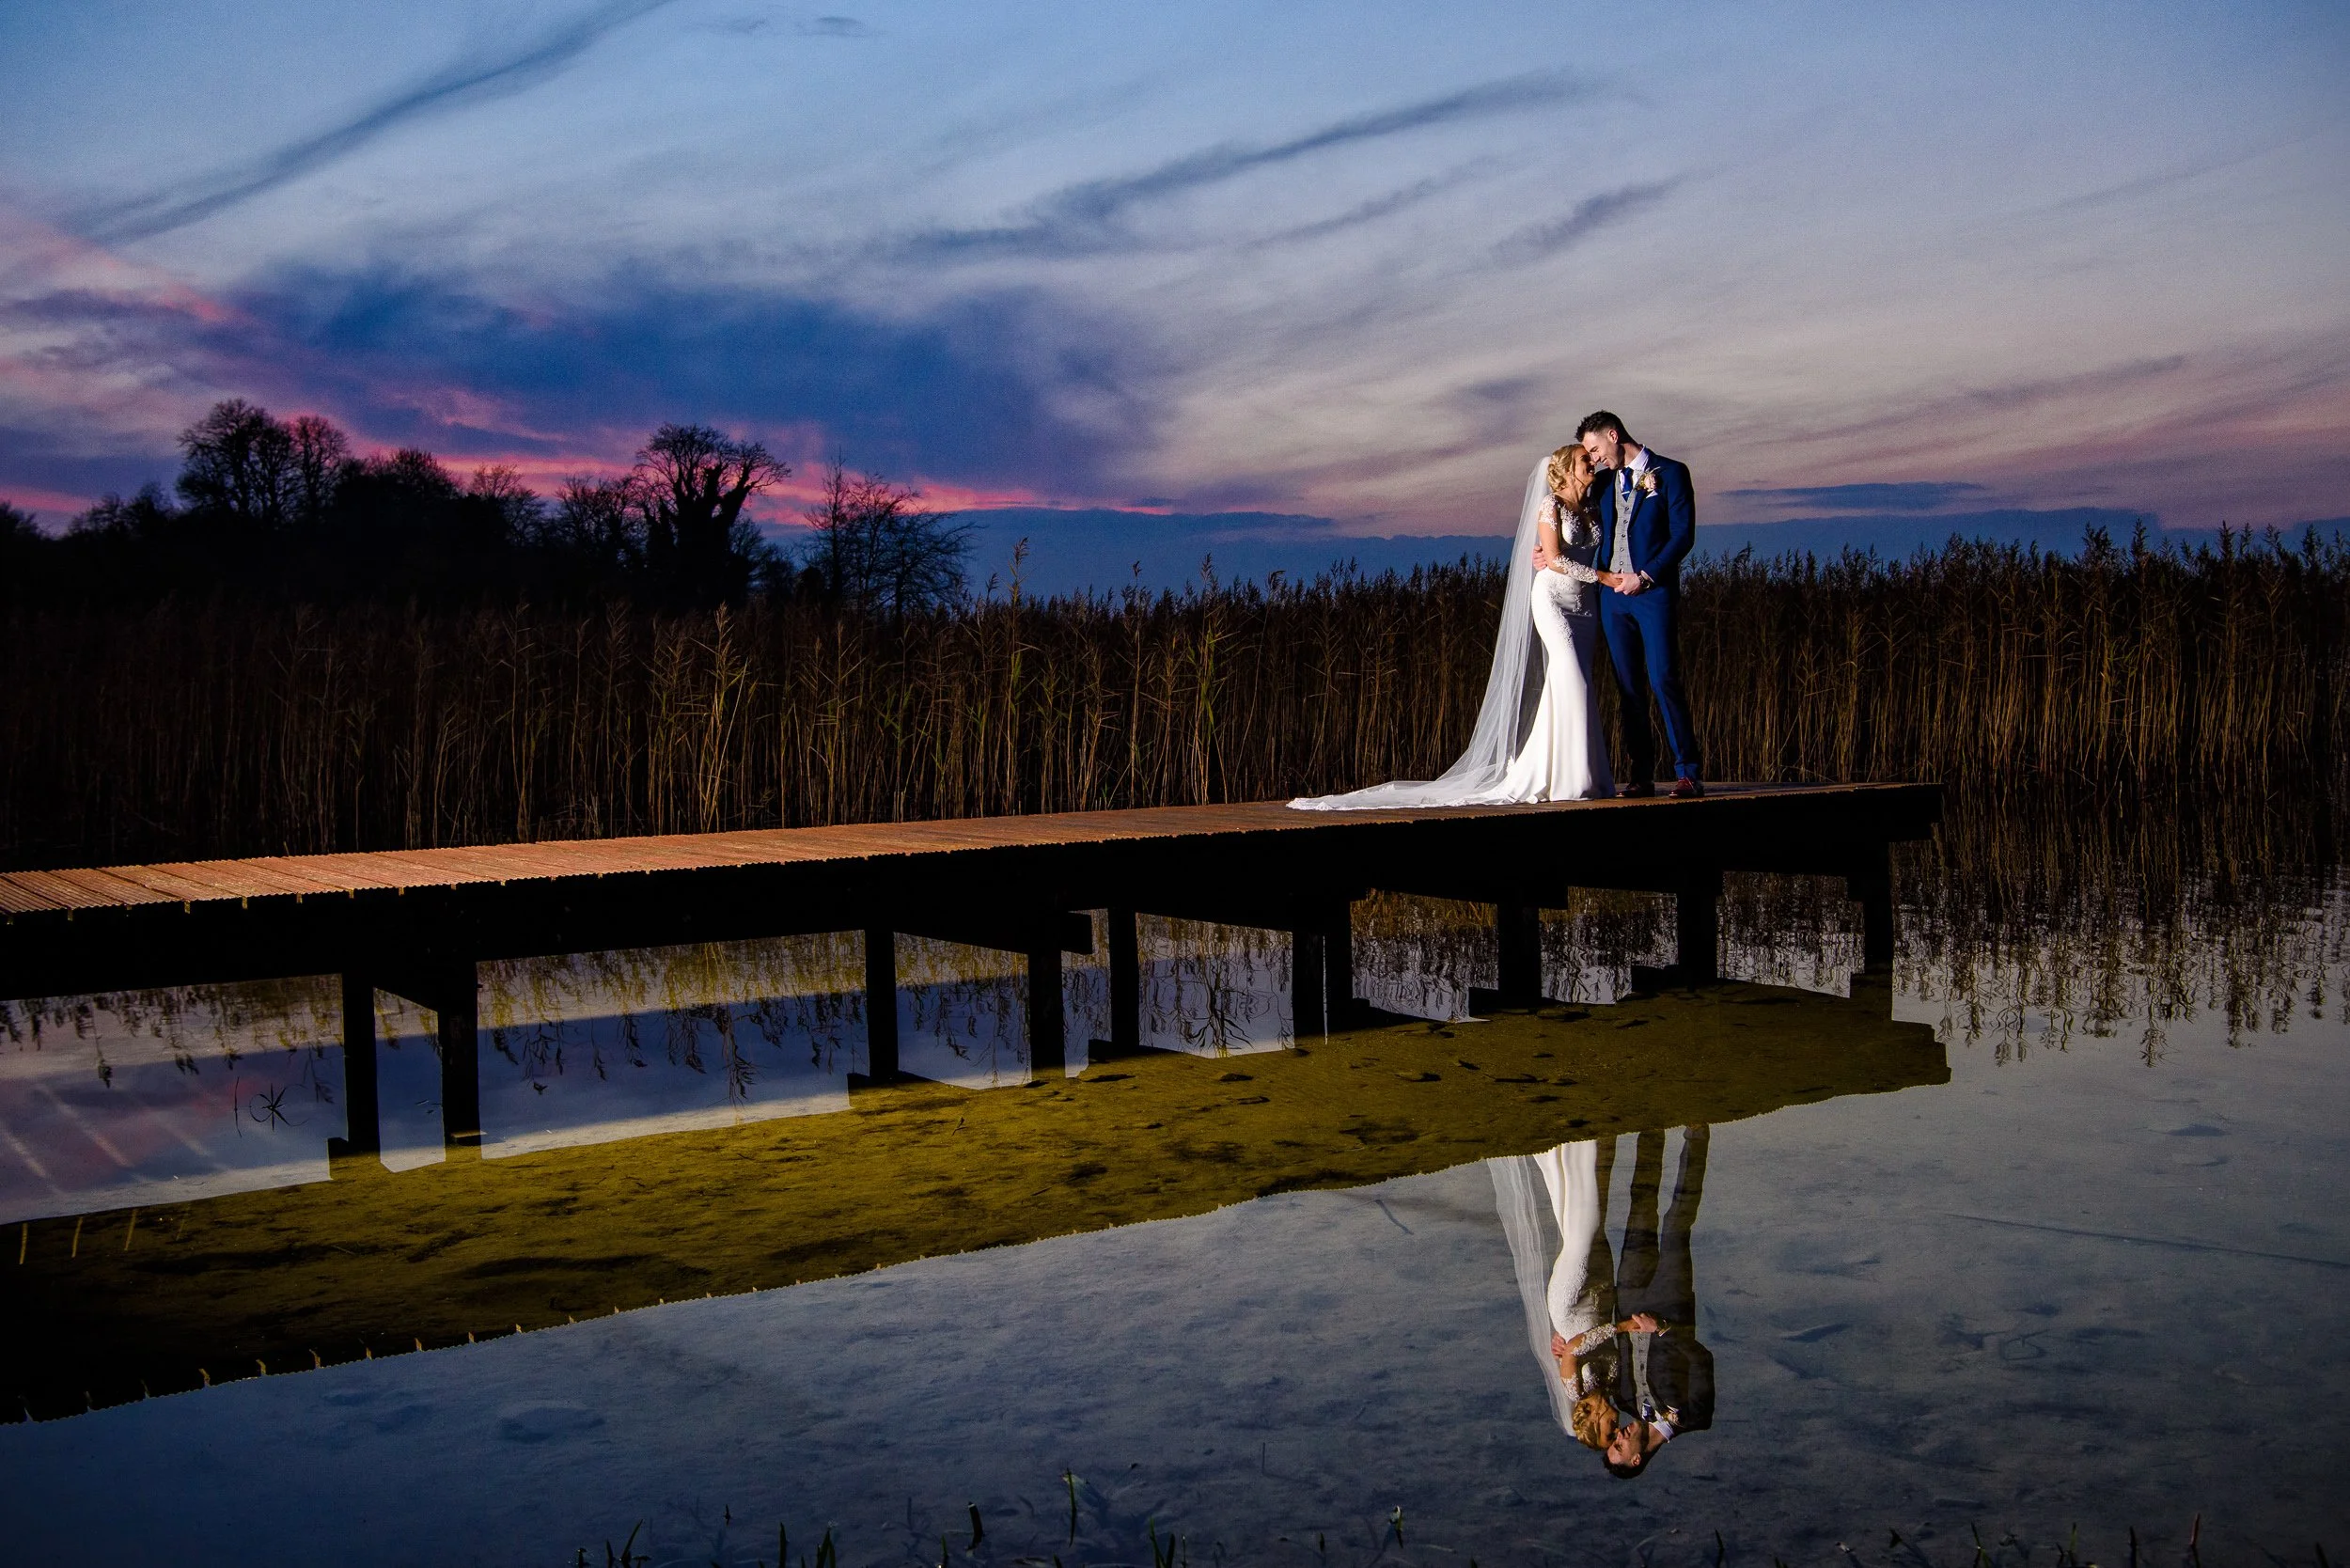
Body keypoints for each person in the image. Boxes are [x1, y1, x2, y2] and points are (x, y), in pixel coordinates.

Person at [1289, 444, 1632, 809]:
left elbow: (1592, 547)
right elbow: (1555, 559)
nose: (1591, 463)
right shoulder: (1551, 507)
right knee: (1571, 676)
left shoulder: (1594, 506)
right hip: (1553, 603)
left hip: (1585, 608)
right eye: (1584, 460)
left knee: (1570, 683)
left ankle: (1574, 773)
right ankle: (1570, 779)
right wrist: (1604, 577)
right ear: (1565, 470)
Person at [1577, 411, 1703, 799]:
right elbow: (1570, 513)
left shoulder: (1671, 473)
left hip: (1653, 594)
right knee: (1627, 687)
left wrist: (1646, 575)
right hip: (1612, 599)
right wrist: (1546, 551)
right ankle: (1641, 775)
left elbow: (1683, 537)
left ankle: (1688, 773)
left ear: (1614, 435)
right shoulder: (1602, 484)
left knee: (1664, 677)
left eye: (1595, 449)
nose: (1594, 458)